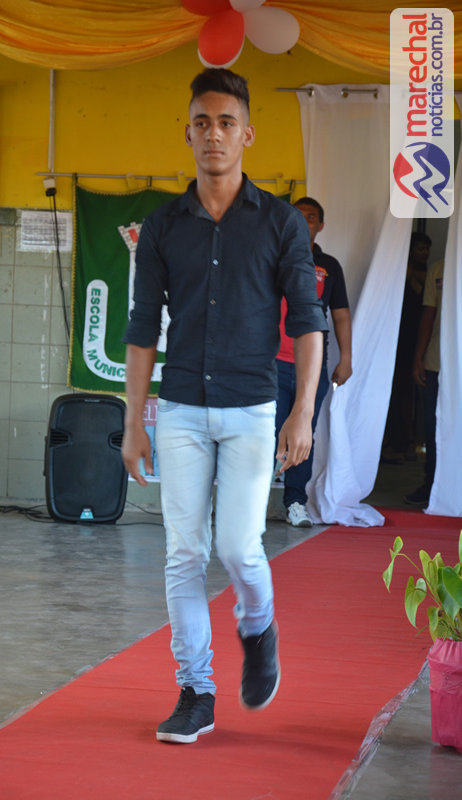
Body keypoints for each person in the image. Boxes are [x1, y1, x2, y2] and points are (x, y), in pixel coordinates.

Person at [121, 68, 327, 745]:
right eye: (203, 123)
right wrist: (133, 423)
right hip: (180, 408)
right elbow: (142, 328)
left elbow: (307, 321)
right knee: (184, 554)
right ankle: (196, 691)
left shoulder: (279, 223)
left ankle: (258, 625)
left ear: (247, 135)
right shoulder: (162, 226)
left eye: (226, 123)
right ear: (188, 133)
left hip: (250, 409)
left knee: (239, 548)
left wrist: (302, 412)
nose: (214, 134)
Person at [274, 197, 352, 528]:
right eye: (297, 215)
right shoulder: (272, 255)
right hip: (271, 363)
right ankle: (252, 502)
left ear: (320, 225)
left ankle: (295, 502)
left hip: (312, 367)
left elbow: (341, 315)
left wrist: (346, 358)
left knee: (303, 433)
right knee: (266, 431)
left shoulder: (328, 266)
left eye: (310, 217)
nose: (303, 221)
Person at [382, 232, 431, 465]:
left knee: (407, 391)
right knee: (391, 389)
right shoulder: (397, 270)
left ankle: (409, 441)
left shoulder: (428, 273)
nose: (425, 253)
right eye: (420, 248)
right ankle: (390, 442)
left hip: (415, 339)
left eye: (427, 249)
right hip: (396, 337)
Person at [405, 258, 443, 506]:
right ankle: (432, 484)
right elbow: (429, 313)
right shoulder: (439, 269)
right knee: (432, 426)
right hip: (435, 362)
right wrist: (419, 357)